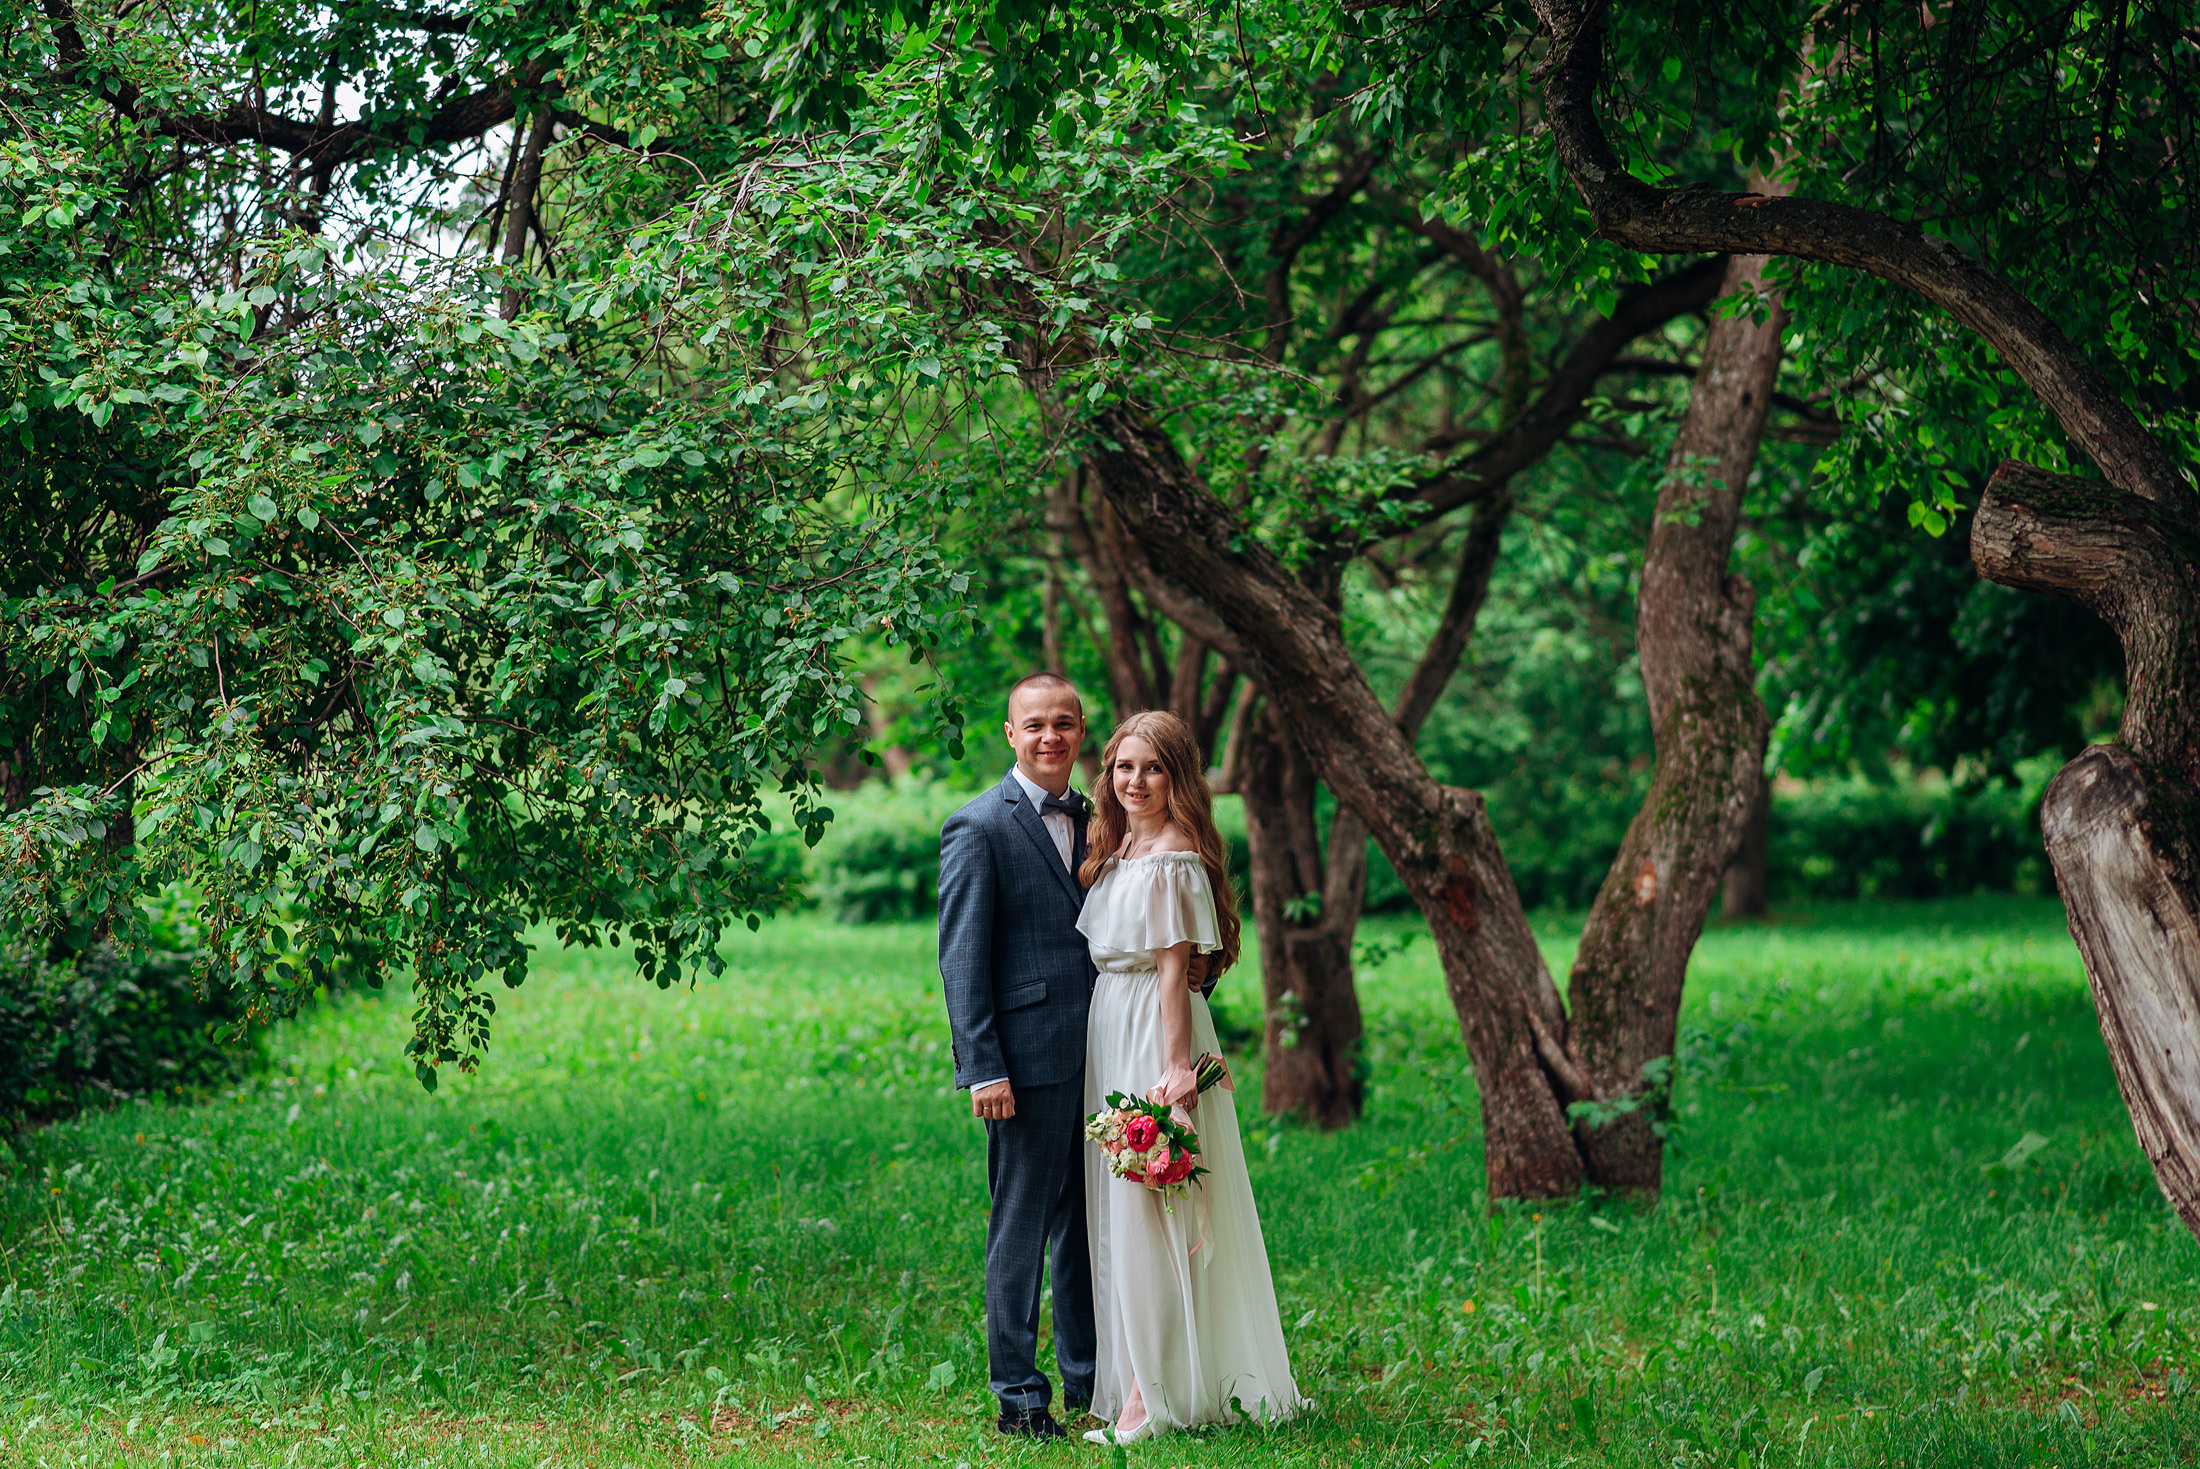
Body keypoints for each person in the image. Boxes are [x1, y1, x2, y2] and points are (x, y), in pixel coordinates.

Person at [1075, 709, 1307, 1443]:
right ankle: (1146, 1382)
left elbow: (1177, 973)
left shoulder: (1174, 856)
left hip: (1154, 1027)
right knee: (1125, 1208)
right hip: (1113, 1020)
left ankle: (1150, 1399)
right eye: (1124, 767)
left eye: (1153, 768)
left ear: (1178, 778)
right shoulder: (1121, 849)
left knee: (1157, 1208)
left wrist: (1176, 1069)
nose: (1136, 781)